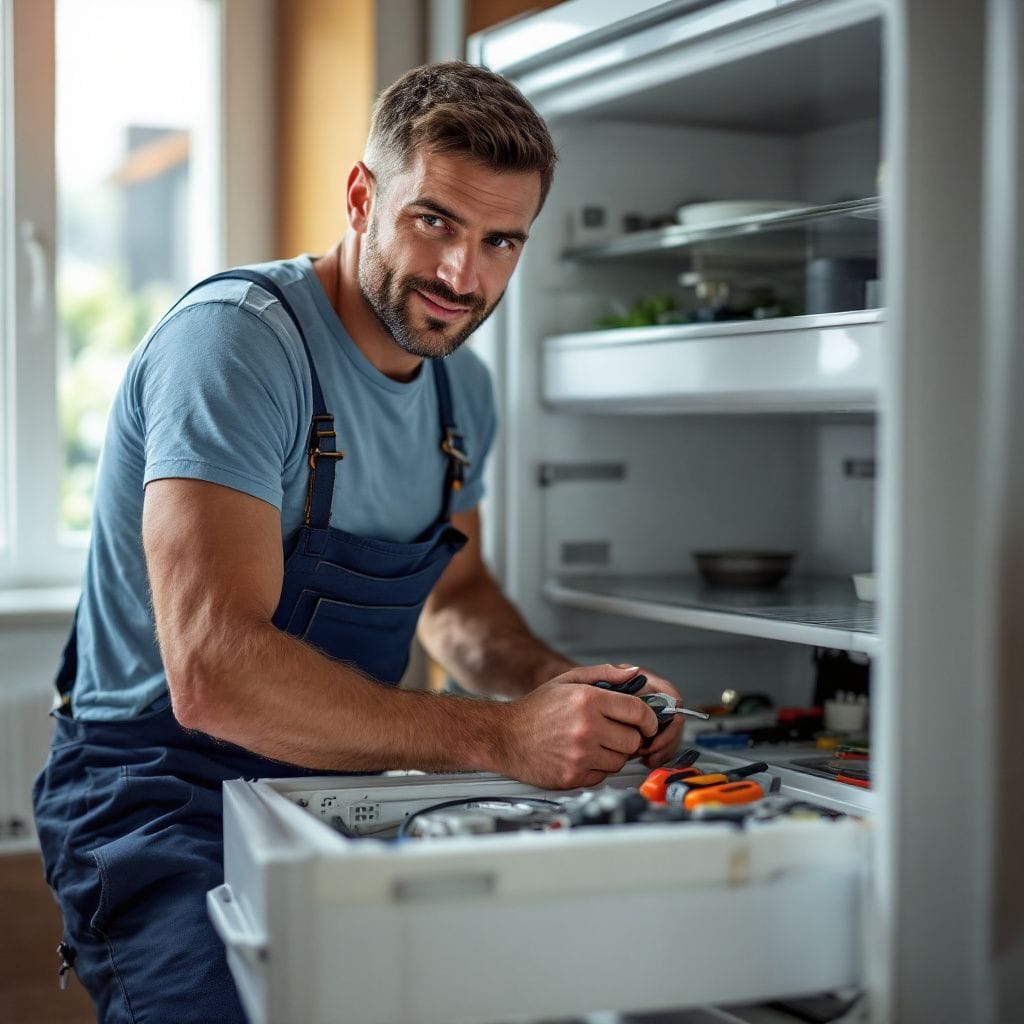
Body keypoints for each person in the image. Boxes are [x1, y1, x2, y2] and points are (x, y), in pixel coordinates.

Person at [33, 61, 684, 1023]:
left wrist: (571, 691)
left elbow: (457, 607)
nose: (465, 276)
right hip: (156, 792)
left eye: (501, 241)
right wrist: (504, 736)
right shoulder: (237, 345)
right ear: (361, 196)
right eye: (436, 223)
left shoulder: (463, 391)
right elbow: (214, 673)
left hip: (350, 782)